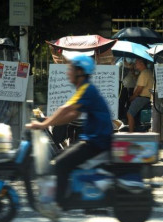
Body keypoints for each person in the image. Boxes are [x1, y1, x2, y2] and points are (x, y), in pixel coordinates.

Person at [26, 55, 113, 211]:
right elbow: (72, 116)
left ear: (80, 71)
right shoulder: (85, 89)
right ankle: (78, 196)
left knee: (61, 163)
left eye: (71, 69)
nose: (68, 72)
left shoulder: (87, 89)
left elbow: (66, 109)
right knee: (64, 157)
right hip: (94, 139)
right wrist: (48, 121)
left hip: (96, 141)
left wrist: (44, 124)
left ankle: (59, 204)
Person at [127, 58, 154, 132]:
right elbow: (138, 80)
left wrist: (132, 97)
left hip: (142, 97)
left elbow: (139, 89)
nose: (135, 64)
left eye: (136, 63)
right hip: (146, 97)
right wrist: (132, 72)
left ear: (142, 63)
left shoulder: (144, 73)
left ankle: (130, 133)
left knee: (130, 114)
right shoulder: (146, 72)